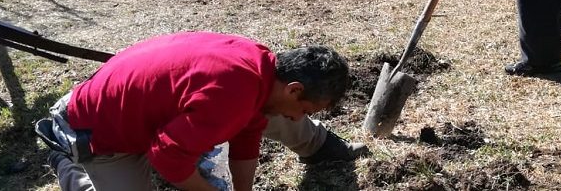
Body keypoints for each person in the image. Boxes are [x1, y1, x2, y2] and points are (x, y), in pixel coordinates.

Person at [35, 31, 367, 191]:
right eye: (305, 109)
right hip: (99, 133)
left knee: (278, 115)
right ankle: (67, 164)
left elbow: (249, 132)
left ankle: (317, 146)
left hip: (151, 114)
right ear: (294, 88)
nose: (299, 117)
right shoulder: (232, 94)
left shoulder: (262, 69)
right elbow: (167, 157)